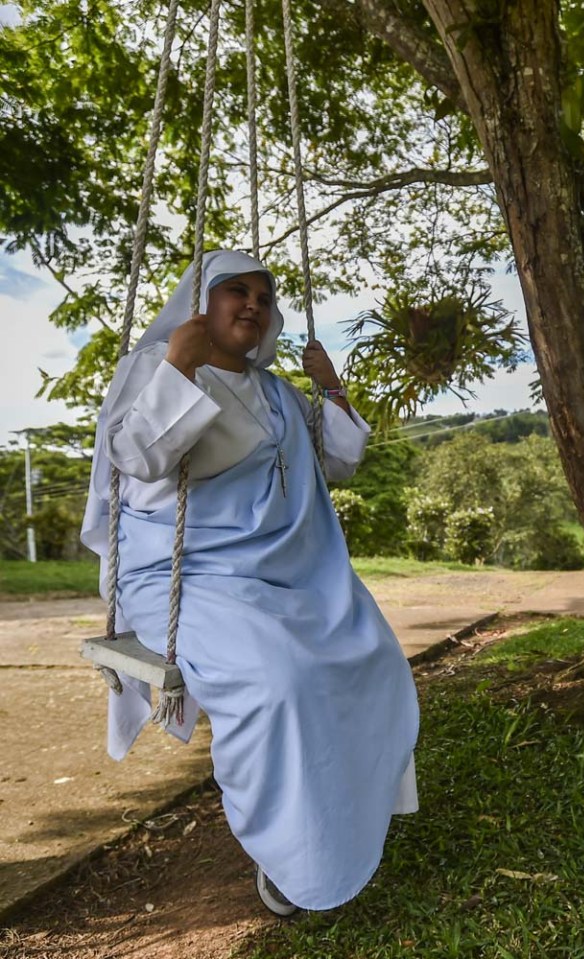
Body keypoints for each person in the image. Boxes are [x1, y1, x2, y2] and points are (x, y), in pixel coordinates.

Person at [81, 249, 420, 916]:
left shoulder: (276, 393)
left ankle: (345, 820)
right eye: (234, 291)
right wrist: (180, 363)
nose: (252, 306)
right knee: (282, 680)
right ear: (199, 304)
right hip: (185, 577)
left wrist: (332, 389)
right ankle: (288, 850)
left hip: (285, 574)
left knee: (373, 660)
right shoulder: (154, 369)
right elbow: (140, 458)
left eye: (263, 297)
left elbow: (340, 460)